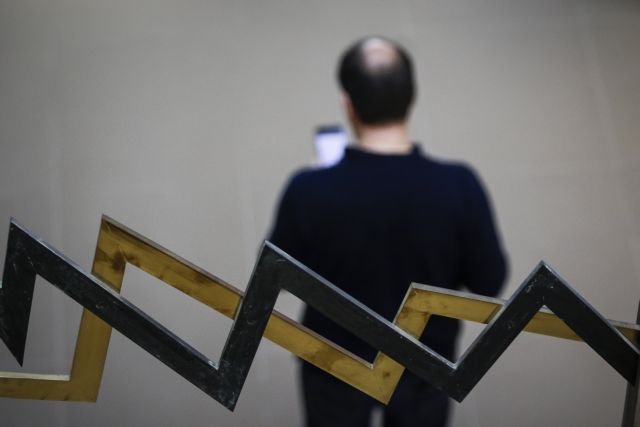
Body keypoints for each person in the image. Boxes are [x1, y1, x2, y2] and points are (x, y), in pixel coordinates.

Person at [269, 36, 507, 427]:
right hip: (425, 366)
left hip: (333, 367)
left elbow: (274, 279)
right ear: (411, 96)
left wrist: (316, 189)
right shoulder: (458, 184)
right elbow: (490, 281)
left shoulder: (307, 189)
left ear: (347, 103)